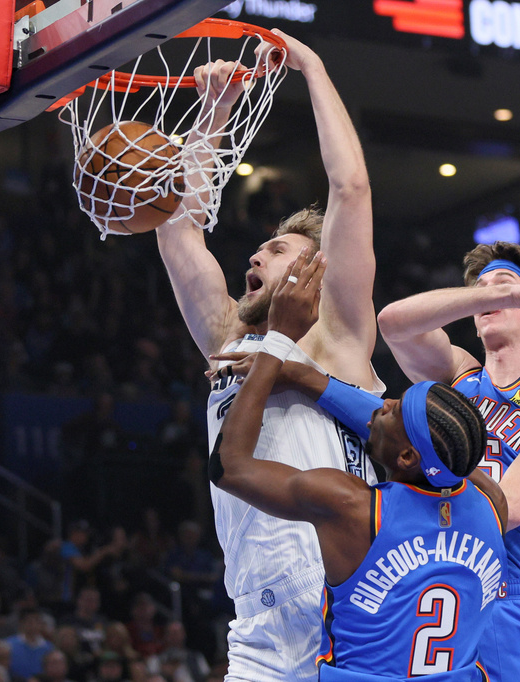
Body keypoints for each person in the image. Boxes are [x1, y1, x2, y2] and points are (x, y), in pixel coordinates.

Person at [156, 30, 380, 682]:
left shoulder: (338, 335)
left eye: (279, 249)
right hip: (257, 622)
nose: (256, 253)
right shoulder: (229, 339)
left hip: (348, 606)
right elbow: (177, 232)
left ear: (317, 270)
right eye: (258, 247)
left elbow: (353, 188)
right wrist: (215, 109)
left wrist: (311, 65)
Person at [207, 252, 507, 680]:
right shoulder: (491, 502)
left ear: (407, 458)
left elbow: (229, 468)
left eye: (393, 411)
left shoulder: (352, 507)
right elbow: (442, 452)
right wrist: (303, 377)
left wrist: (277, 344)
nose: (380, 404)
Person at [376, 242, 520, 680]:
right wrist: (498, 295)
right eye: (480, 290)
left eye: (508, 286)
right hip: (458, 602)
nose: (491, 294)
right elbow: (392, 323)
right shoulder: (458, 379)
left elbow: (509, 507)